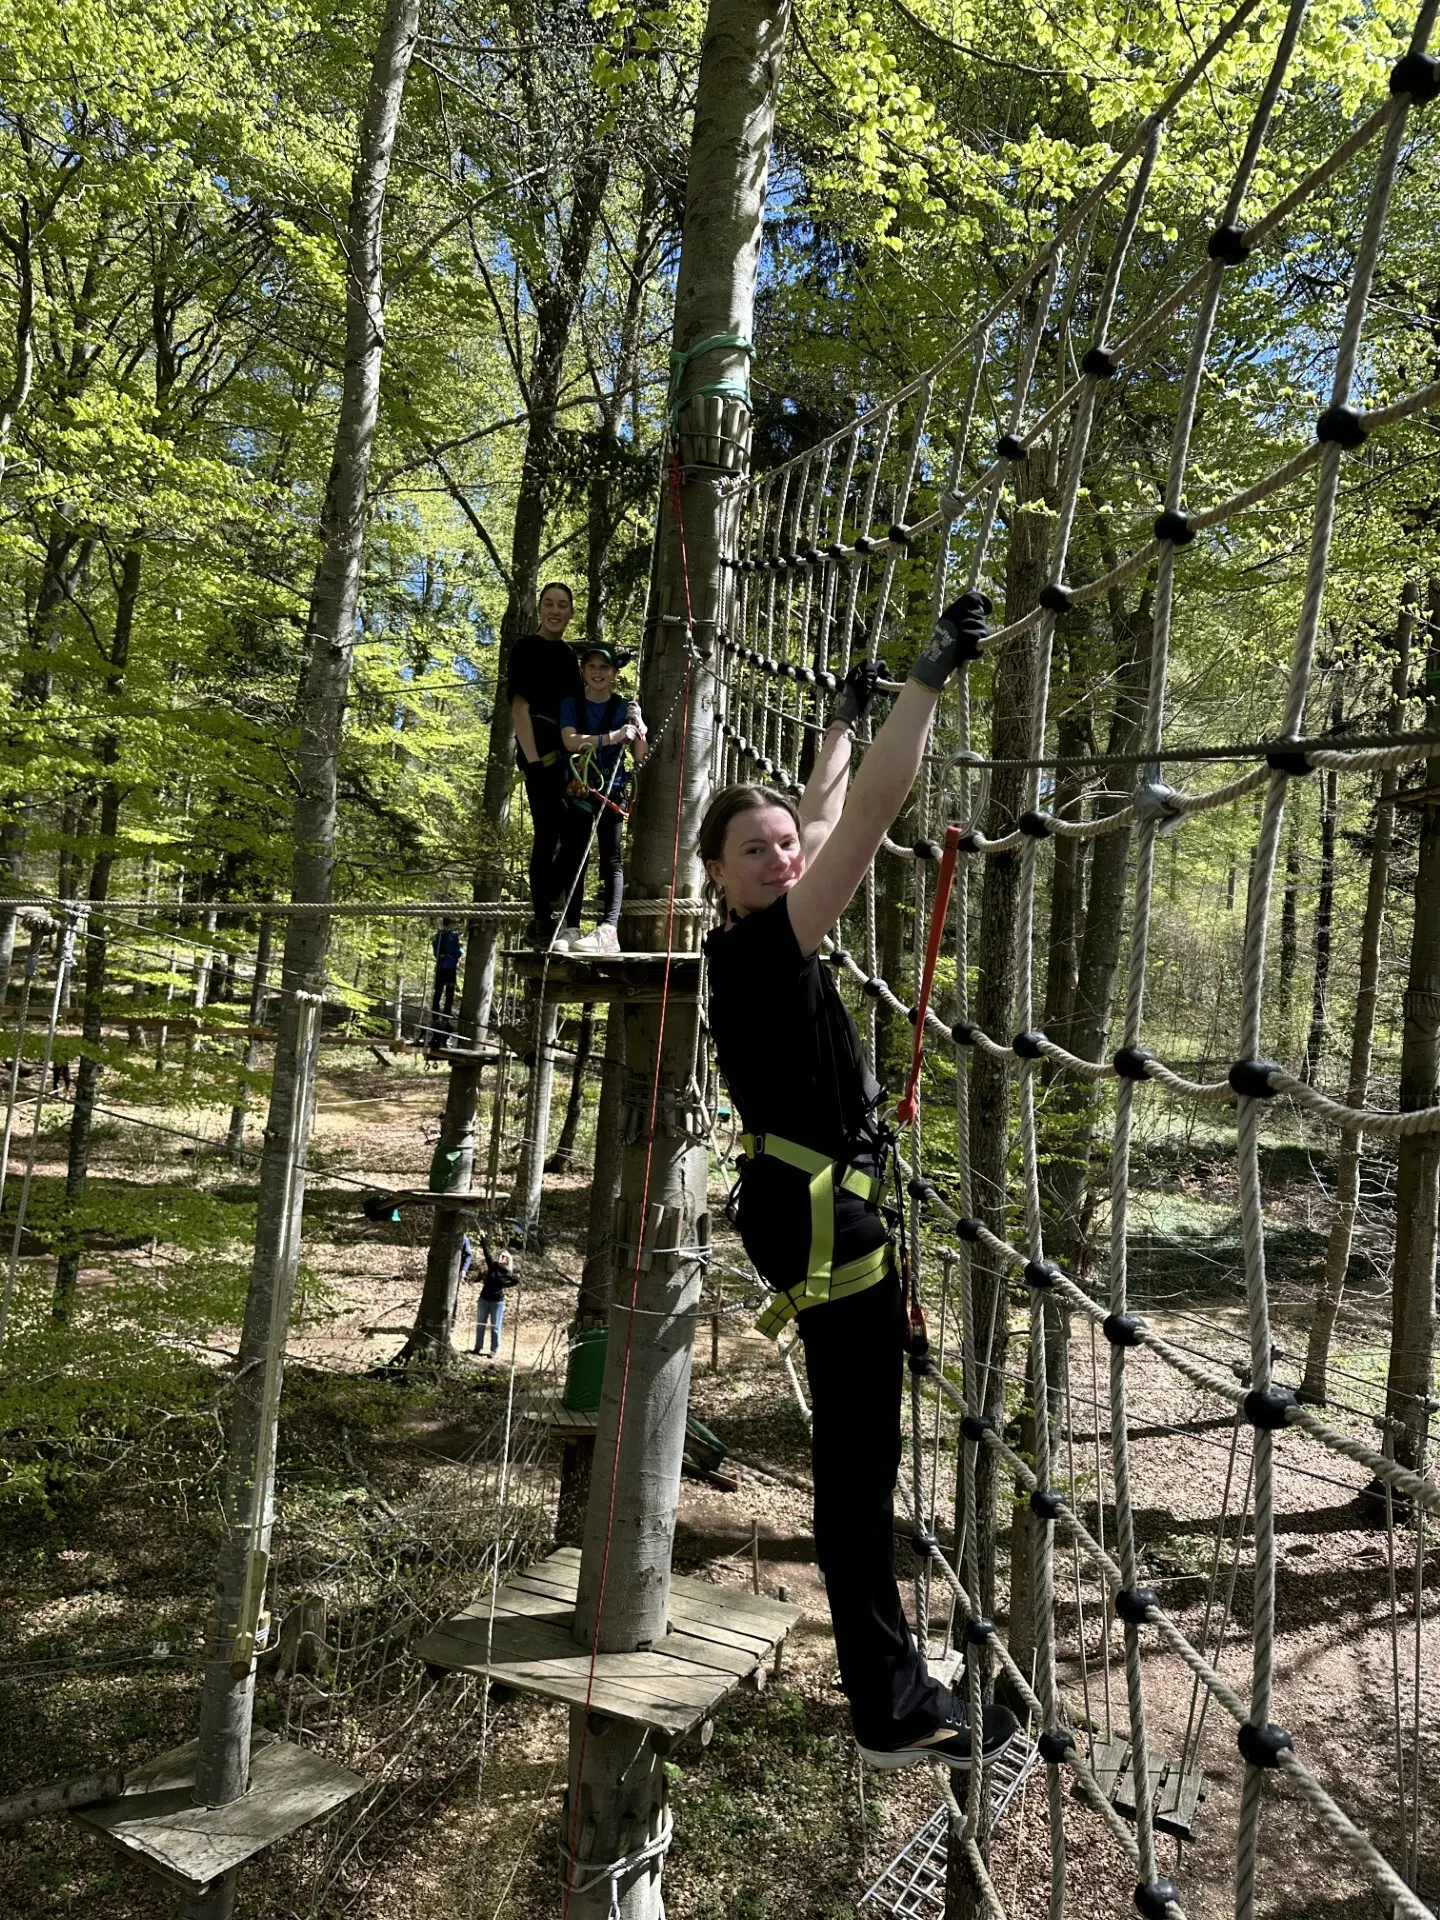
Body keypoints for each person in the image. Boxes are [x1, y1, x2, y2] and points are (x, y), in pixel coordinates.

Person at [699, 591, 1019, 1773]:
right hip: (827, 1231)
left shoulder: (752, 943)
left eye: (785, 846)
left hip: (811, 1215)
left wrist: (838, 725)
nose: (784, 856)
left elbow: (829, 808)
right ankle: (888, 1704)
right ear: (718, 878)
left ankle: (894, 1682)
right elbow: (872, 816)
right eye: (757, 851)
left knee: (858, 1461)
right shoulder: (768, 954)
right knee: (856, 1471)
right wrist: (925, 681)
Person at [556, 643, 648, 954]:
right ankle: (570, 927)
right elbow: (569, 741)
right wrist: (611, 737)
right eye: (592, 666)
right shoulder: (571, 703)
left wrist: (637, 725)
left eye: (604, 668)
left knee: (611, 858)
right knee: (574, 857)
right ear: (583, 671)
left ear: (613, 673)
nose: (598, 673)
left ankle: (609, 928)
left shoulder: (623, 707)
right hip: (580, 788)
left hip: (611, 788)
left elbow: (639, 755)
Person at [508, 582, 585, 946]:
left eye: (563, 606)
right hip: (540, 751)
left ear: (570, 613)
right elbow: (520, 708)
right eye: (550, 604)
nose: (556, 611)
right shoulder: (526, 648)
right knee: (547, 835)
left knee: (574, 837)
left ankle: (552, 897)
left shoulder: (570, 657)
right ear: (540, 609)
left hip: (568, 753)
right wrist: (533, 762)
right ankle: (542, 919)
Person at [473, 1236, 518, 1357]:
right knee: (481, 1324)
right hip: (484, 1299)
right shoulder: (493, 1266)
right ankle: (477, 1348)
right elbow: (487, 1254)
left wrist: (506, 1285)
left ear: (507, 1261)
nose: (501, 1259)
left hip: (497, 1302)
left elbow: (516, 1280)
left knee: (495, 1327)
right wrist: (483, 1241)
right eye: (500, 1256)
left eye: (504, 1258)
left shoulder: (507, 1273)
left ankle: (494, 1349)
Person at [431, 918, 462, 1015]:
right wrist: (460, 953)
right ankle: (445, 1018)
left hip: (440, 966)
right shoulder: (453, 936)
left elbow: (435, 952)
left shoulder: (437, 936)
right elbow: (456, 951)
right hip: (449, 967)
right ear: (450, 924)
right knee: (449, 994)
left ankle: (435, 1017)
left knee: (438, 992)